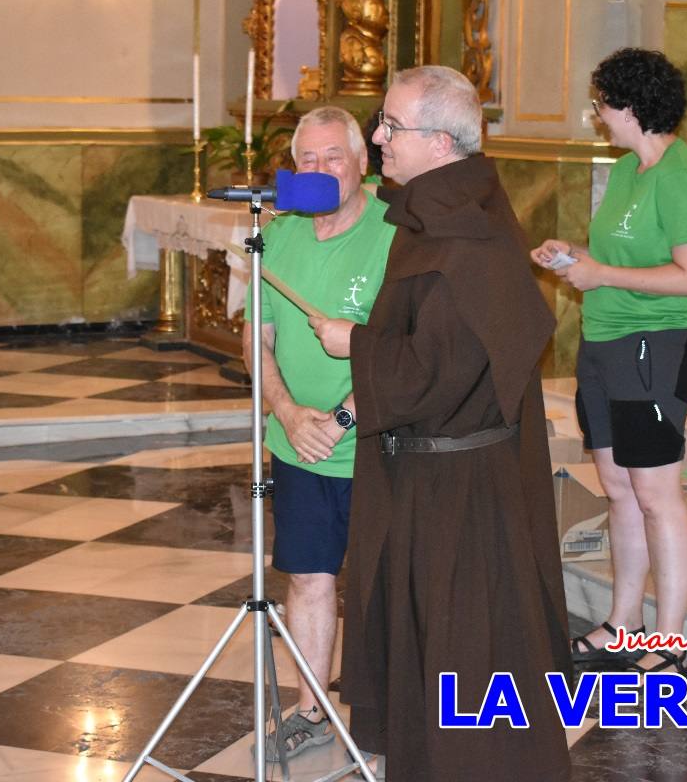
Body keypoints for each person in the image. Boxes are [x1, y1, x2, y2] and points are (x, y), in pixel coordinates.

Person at [311, 66, 572, 781]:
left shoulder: (466, 240)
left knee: (468, 654)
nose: (377, 138)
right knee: (427, 653)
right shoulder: (434, 215)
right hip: (424, 474)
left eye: (390, 127)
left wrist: (353, 344)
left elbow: (438, 372)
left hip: (461, 490)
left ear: (439, 140)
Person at [530, 48, 687, 675]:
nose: (598, 116)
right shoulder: (632, 168)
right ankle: (623, 624)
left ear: (630, 107)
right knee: (618, 489)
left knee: (657, 493)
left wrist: (600, 271)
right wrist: (573, 255)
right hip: (606, 342)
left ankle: (667, 641)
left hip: (656, 346)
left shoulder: (679, 175)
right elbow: (623, 259)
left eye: (602, 105)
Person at [241, 105, 395, 761]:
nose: (320, 169)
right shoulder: (278, 236)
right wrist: (286, 411)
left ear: (364, 163)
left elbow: (408, 348)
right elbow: (258, 337)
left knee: (383, 585)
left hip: (380, 445)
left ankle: (394, 716)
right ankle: (312, 709)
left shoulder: (397, 231)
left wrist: (340, 419)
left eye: (334, 156)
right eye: (306, 158)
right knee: (308, 579)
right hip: (298, 444)